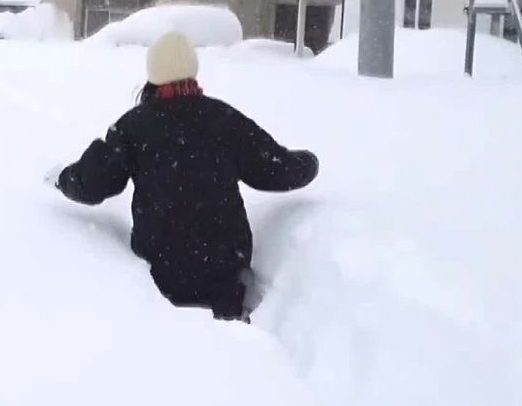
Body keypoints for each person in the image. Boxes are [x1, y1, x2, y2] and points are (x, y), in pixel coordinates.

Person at [46, 32, 318, 322]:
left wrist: (63, 179)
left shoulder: (134, 127)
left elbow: (94, 182)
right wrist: (309, 163)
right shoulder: (224, 119)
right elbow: (276, 170)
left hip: (162, 273)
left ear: (152, 75)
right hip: (225, 272)